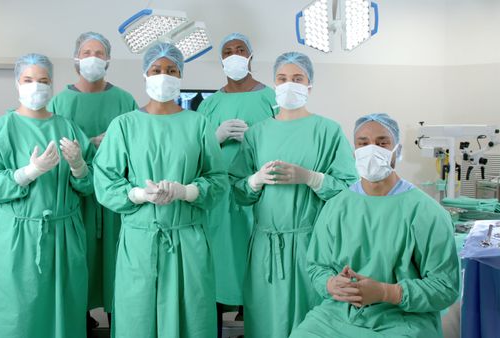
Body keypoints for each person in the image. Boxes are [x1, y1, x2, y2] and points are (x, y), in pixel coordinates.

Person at [93, 42, 228, 338]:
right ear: (145, 74)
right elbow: (105, 181)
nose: (163, 76)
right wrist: (138, 194)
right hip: (140, 241)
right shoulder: (124, 125)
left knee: (190, 319)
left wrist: (188, 191)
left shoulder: (198, 124)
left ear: (180, 76)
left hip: (188, 239)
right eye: (156, 70)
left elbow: (218, 180)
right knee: (137, 320)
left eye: (171, 70)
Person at [290, 113, 460, 338]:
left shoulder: (426, 212)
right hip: (338, 316)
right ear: (354, 153)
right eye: (363, 143)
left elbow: (445, 287)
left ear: (396, 152)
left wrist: (386, 292)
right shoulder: (336, 207)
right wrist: (332, 285)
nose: (372, 149)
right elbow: (317, 267)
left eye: (382, 143)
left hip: (402, 319)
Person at [229, 51, 358, 337]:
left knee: (310, 320)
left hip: (312, 244)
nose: (290, 84)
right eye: (282, 78)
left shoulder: (328, 131)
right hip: (266, 247)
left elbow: (349, 189)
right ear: (274, 84)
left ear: (309, 84)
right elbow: (237, 192)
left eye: (297, 78)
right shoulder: (256, 134)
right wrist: (254, 180)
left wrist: (312, 178)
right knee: (265, 320)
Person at [0, 53, 94, 338]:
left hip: (62, 236)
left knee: (61, 315)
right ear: (17, 83)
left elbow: (89, 187)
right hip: (14, 238)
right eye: (28, 80)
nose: (35, 86)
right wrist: (28, 172)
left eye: (42, 80)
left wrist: (79, 166)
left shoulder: (68, 128)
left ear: (51, 84)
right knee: (15, 317)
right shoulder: (0, 130)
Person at [47, 31, 138, 327]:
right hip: (74, 198)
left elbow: (137, 146)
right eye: (86, 52)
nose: (93, 59)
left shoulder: (124, 99)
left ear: (109, 59)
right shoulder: (61, 102)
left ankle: (119, 319)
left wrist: (111, 147)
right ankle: (80, 320)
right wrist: (88, 145)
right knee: (79, 259)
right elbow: (54, 146)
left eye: (99, 53)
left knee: (115, 261)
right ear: (76, 58)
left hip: (116, 197)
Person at [196, 33, 276, 332]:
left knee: (256, 265)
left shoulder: (271, 98)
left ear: (251, 55)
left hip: (260, 192)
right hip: (218, 198)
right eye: (227, 51)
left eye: (240, 49)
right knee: (219, 264)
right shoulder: (210, 104)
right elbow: (195, 153)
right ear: (221, 60)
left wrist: (257, 138)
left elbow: (287, 139)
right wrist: (214, 139)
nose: (234, 55)